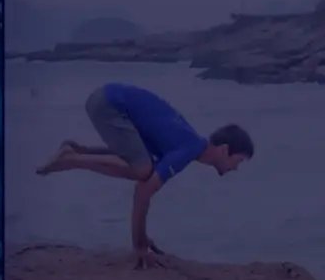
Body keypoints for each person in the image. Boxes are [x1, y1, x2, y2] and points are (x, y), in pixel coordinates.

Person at [37, 82, 255, 270]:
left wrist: (143, 236)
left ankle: (76, 151)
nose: (236, 168)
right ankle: (71, 159)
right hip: (110, 103)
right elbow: (143, 192)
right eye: (238, 161)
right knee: (143, 171)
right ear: (224, 150)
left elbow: (132, 158)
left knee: (142, 166)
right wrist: (139, 245)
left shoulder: (185, 141)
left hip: (105, 99)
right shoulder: (188, 149)